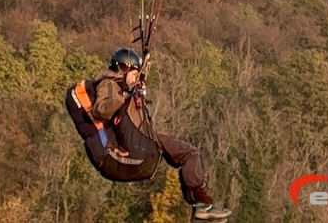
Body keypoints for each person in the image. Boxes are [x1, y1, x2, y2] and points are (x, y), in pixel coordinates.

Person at [93, 48, 231, 221]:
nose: (135, 79)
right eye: (134, 74)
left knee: (189, 154)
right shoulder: (109, 84)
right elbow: (101, 110)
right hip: (136, 140)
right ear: (123, 68)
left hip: (144, 136)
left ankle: (200, 206)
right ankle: (201, 206)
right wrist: (125, 94)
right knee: (189, 153)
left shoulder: (123, 86)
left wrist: (136, 89)